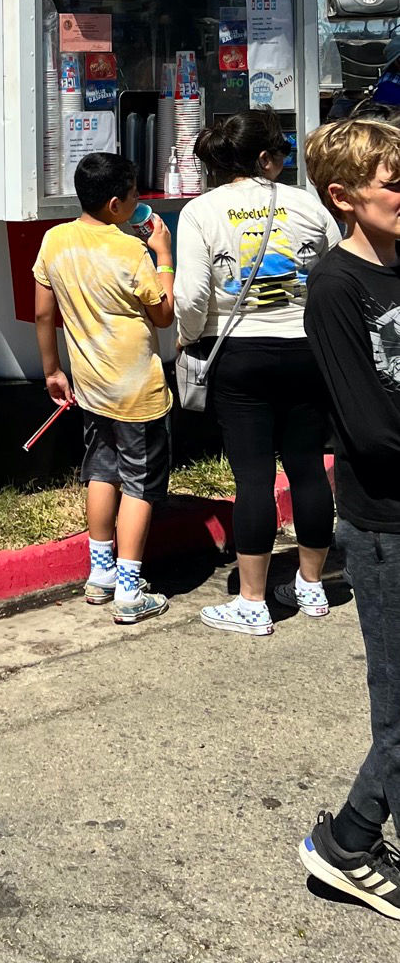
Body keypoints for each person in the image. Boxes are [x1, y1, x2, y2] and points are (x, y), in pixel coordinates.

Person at [174, 110, 340, 636]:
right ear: (267, 158)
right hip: (307, 350)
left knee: (253, 478)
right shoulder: (307, 205)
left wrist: (188, 335)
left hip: (240, 356)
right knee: (309, 468)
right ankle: (312, 585)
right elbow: (335, 270)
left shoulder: (201, 211)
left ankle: (252, 601)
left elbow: (193, 297)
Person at [298, 118, 400, 917]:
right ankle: (348, 844)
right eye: (393, 183)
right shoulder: (335, 288)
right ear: (342, 197)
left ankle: (350, 837)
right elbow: (367, 428)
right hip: (383, 526)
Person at [33, 150, 175, 626]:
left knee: (101, 471)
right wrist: (164, 257)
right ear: (116, 204)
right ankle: (131, 590)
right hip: (138, 390)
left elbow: (42, 313)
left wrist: (53, 369)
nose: (139, 202)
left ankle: (101, 575)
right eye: (135, 196)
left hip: (90, 386)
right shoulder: (131, 251)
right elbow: (164, 313)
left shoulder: (54, 241)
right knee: (139, 483)